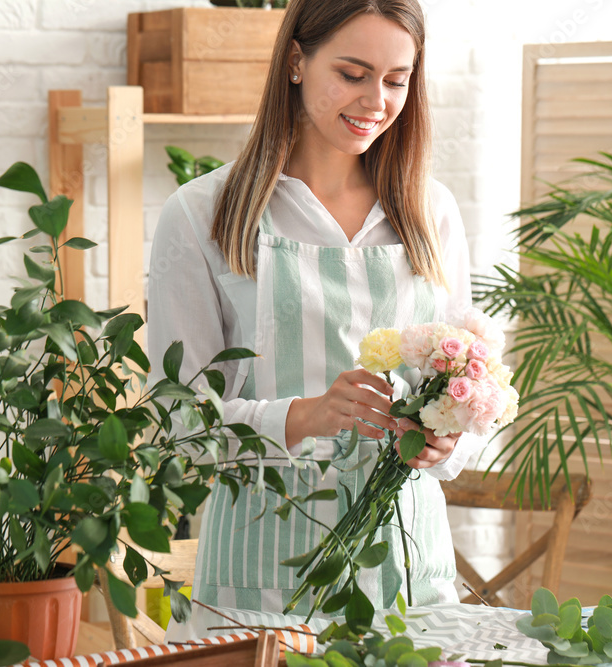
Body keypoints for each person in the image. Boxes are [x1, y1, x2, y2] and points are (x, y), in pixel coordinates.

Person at [148, 0, 484, 637]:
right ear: (296, 61)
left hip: (413, 573)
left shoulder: (430, 213)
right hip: (259, 572)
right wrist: (302, 415)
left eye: (396, 79)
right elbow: (179, 422)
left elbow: (466, 390)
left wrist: (448, 441)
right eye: (352, 73)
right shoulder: (202, 215)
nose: (376, 101)